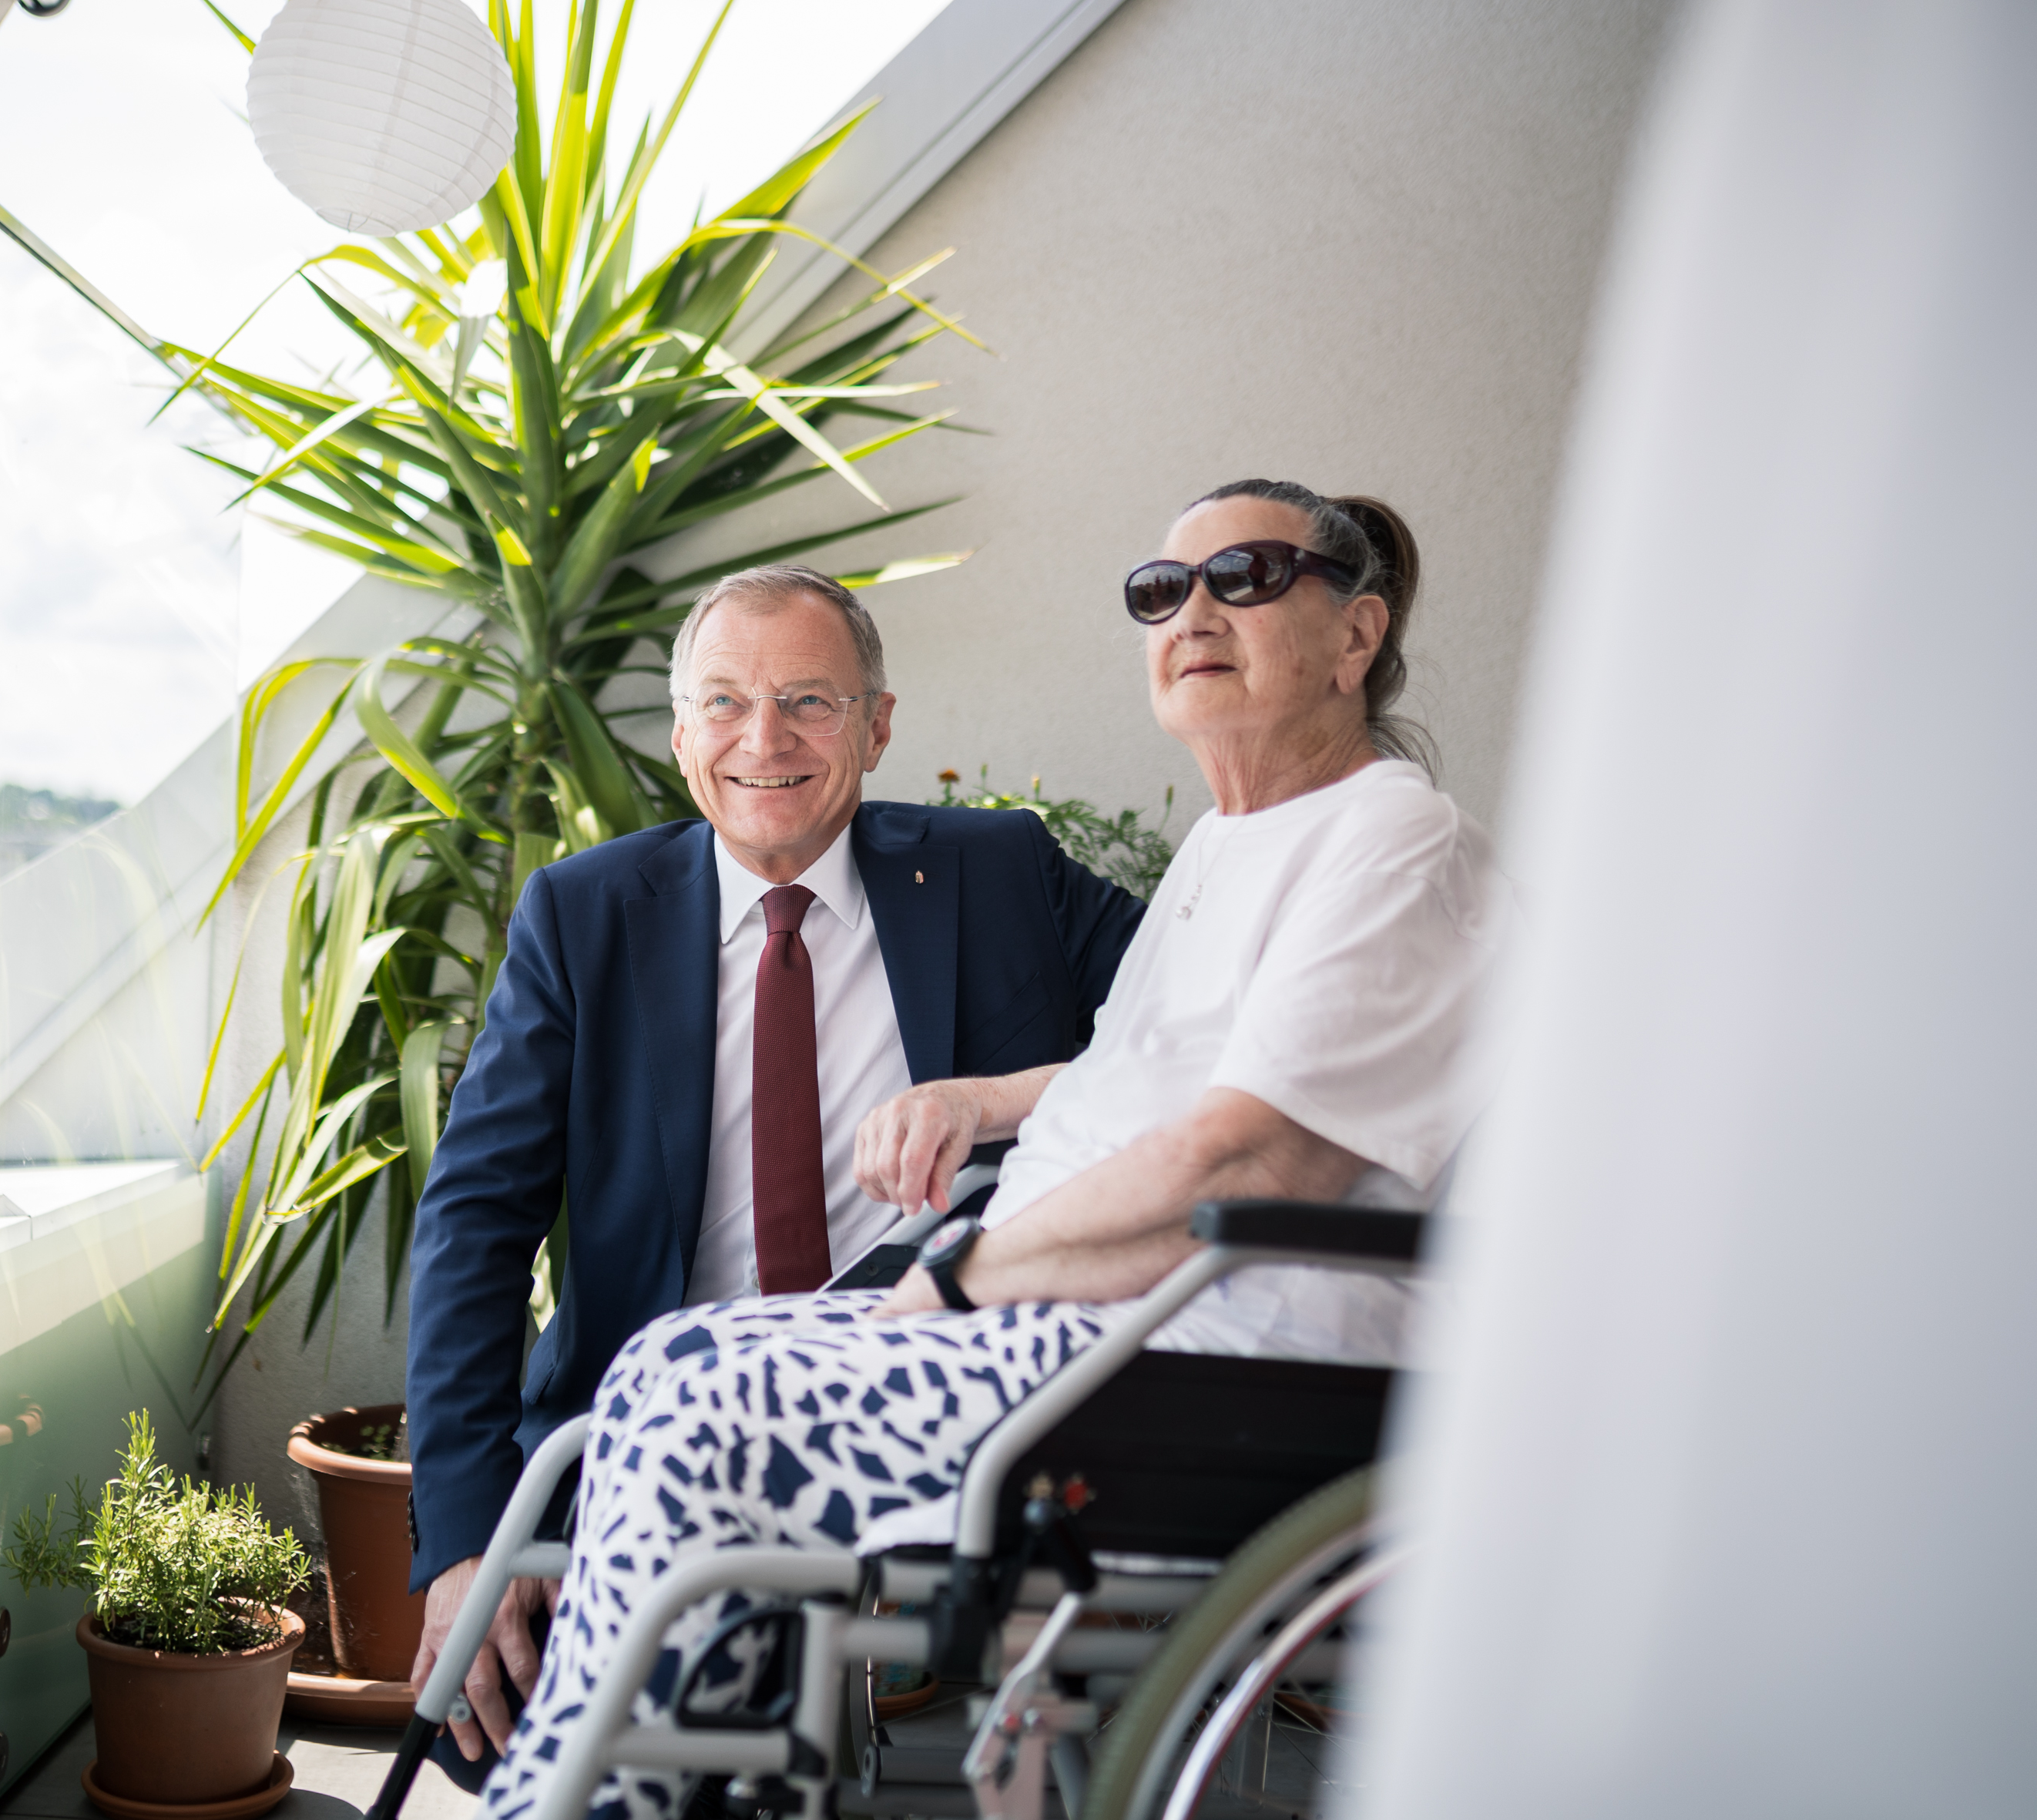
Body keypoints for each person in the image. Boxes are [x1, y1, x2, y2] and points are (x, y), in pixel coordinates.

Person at [471, 482, 1509, 1820]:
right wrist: (986, 1099)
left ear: (1356, 632)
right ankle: (659, 1796)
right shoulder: (1231, 844)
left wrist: (965, 1276)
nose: (1193, 610)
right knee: (671, 1363)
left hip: (1197, 1374)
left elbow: (1246, 1157)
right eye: (1161, 588)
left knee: (704, 1403)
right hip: (1116, 1348)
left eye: (1244, 576)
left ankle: (589, 1803)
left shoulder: (1393, 841)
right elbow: (1160, 1081)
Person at [407, 563, 1144, 1775]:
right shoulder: (582, 916)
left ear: (878, 723)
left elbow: (1203, 1036)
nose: (766, 739)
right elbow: (474, 1229)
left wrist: (997, 1099)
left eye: (809, 699)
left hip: (937, 1413)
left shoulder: (1002, 874)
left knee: (660, 1748)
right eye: (726, 703)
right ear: (682, 730)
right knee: (512, 1723)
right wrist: (464, 1548)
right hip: (648, 1416)